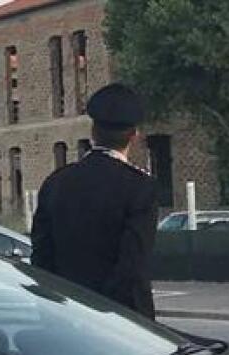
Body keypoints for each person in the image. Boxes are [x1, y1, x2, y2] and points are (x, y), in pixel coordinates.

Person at [31, 83, 159, 318]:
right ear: (134, 135)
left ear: (93, 132)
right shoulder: (140, 188)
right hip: (122, 320)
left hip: (64, 315)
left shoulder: (56, 182)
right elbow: (133, 265)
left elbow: (41, 259)